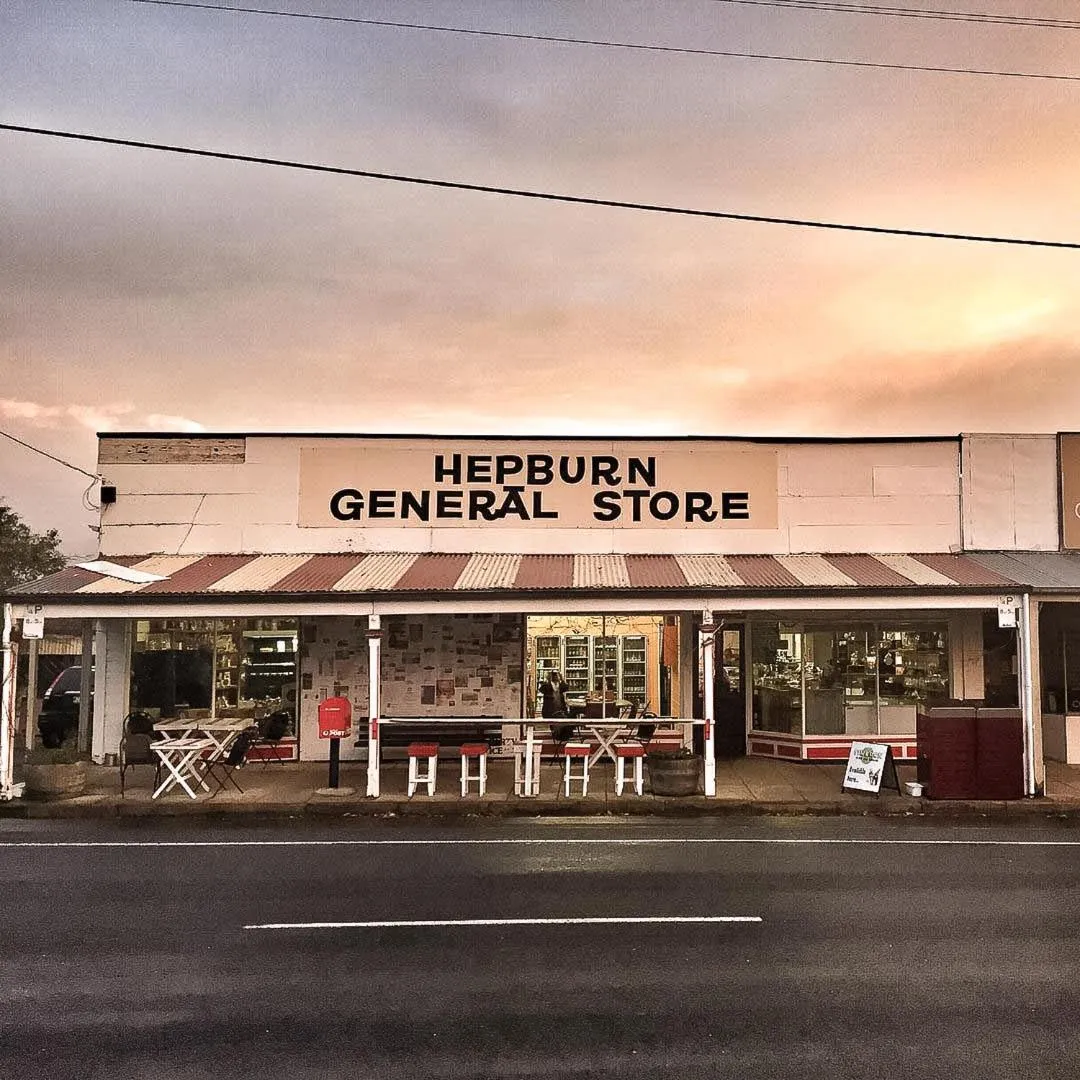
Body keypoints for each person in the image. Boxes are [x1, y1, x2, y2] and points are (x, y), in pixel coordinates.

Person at [538, 669, 575, 744]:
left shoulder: (560, 685)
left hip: (560, 710)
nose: (555, 677)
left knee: (569, 718)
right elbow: (541, 689)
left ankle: (563, 735)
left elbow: (566, 687)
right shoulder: (547, 686)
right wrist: (547, 680)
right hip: (550, 711)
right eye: (553, 675)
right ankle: (558, 735)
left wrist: (562, 678)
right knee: (559, 721)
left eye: (556, 675)